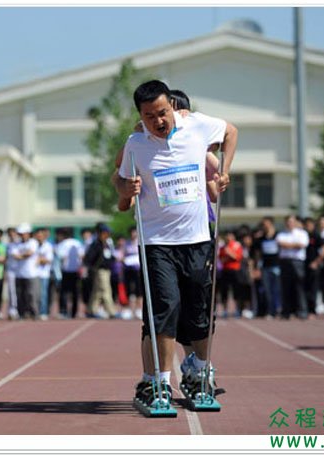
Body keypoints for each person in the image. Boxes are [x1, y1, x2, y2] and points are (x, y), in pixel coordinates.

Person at [115, 80, 237, 406]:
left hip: (197, 239)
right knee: (164, 309)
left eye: (162, 112)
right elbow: (120, 178)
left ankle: (198, 370)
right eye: (149, 116)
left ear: (172, 106)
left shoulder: (196, 126)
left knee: (199, 312)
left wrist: (223, 171)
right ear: (140, 116)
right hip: (156, 242)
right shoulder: (136, 143)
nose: (158, 121)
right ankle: (160, 383)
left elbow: (230, 132)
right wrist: (126, 190)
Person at [276, 215, 309, 320]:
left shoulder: (302, 233)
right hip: (285, 262)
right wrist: (294, 245)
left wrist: (288, 245)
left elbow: (302, 245)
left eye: (291, 221)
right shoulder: (281, 234)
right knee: (286, 288)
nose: (289, 223)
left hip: (297, 262)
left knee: (299, 287)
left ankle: (302, 311)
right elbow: (280, 243)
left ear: (295, 222)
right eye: (288, 222)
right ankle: (286, 312)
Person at [83, 222, 119, 319]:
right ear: (99, 233)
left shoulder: (106, 244)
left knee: (97, 292)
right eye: (105, 233)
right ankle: (111, 311)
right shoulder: (95, 244)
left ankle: (91, 310)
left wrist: (113, 259)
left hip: (106, 270)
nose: (107, 235)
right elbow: (88, 258)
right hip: (100, 271)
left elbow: (108, 256)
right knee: (106, 290)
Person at [55, 227, 83, 319]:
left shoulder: (63, 243)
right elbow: (82, 255)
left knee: (64, 292)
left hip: (66, 270)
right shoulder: (77, 243)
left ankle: (63, 311)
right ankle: (74, 312)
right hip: (75, 270)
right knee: (75, 292)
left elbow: (60, 256)